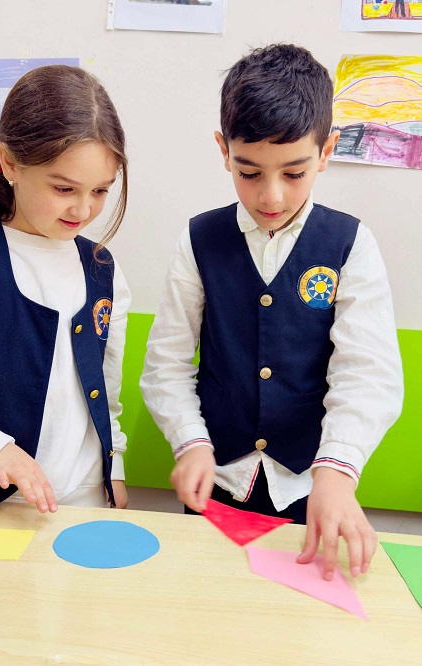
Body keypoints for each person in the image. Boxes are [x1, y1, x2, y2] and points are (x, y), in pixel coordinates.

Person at [140, 44, 403, 581]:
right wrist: (190, 442)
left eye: (294, 172)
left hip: (311, 489)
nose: (272, 196)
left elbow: (367, 373)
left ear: (327, 151)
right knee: (206, 602)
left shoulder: (350, 244)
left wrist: (337, 470)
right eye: (249, 172)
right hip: (217, 483)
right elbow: (167, 363)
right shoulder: (199, 239)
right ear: (224, 150)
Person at [0, 65, 130, 576]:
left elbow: (104, 391)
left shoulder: (103, 269)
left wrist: (114, 469)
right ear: (11, 164)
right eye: (64, 188)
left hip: (74, 514)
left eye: (101, 190)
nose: (84, 209)